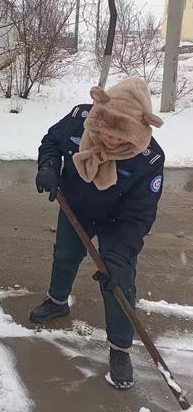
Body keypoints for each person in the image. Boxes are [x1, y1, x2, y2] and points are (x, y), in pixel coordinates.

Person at [31, 77, 164, 389]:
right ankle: (57, 301)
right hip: (75, 203)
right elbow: (52, 141)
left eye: (116, 137)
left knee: (118, 280)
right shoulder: (81, 118)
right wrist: (48, 166)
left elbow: (140, 215)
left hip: (119, 220)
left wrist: (120, 255)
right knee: (64, 255)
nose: (104, 137)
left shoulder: (150, 159)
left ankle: (119, 348)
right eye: (101, 128)